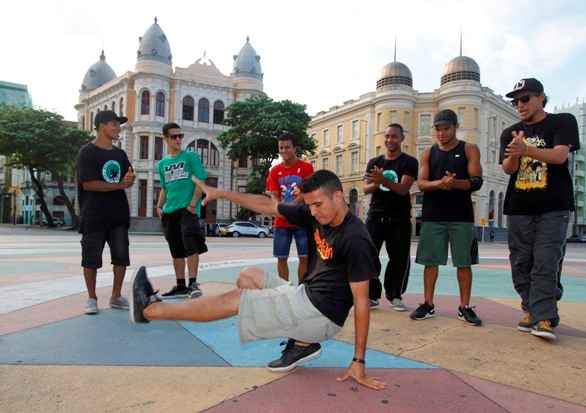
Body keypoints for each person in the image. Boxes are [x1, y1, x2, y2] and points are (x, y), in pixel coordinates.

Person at [130, 170, 385, 390]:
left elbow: (361, 303)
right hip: (305, 296)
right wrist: (222, 193)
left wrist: (358, 362)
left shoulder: (356, 239)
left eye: (318, 204)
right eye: (309, 206)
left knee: (238, 300)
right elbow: (268, 206)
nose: (313, 212)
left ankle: (152, 310)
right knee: (248, 276)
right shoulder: (315, 212)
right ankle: (301, 342)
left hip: (321, 316)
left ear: (338, 196)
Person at [500, 78, 579, 341]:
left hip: (553, 206)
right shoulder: (510, 132)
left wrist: (527, 149)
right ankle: (532, 308)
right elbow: (508, 169)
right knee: (521, 262)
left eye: (525, 98)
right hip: (519, 206)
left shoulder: (562, 122)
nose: (519, 105)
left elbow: (559, 156)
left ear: (541, 97)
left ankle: (544, 317)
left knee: (546, 260)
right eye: (515, 100)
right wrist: (514, 153)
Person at [412, 109, 483, 326]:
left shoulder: (469, 149)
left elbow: (477, 181)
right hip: (433, 217)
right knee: (430, 263)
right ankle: (428, 303)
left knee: (464, 263)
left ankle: (464, 307)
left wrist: (456, 183)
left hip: (461, 217)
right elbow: (421, 183)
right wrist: (440, 184)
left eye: (446, 129)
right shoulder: (428, 153)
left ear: (455, 127)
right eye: (438, 129)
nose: (442, 133)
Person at [76, 110, 134, 315]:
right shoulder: (87, 152)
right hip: (94, 215)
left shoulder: (120, 154)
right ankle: (91, 298)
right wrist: (120, 185)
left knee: (121, 256)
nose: (118, 128)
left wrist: (129, 179)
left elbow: (129, 175)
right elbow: (89, 184)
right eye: (114, 124)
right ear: (102, 126)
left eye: (119, 125)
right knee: (90, 259)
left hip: (118, 215)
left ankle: (116, 296)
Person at [363, 123, 418, 311]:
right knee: (368, 256)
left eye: (394, 136)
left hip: (399, 218)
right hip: (375, 216)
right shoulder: (374, 162)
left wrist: (382, 180)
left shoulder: (409, 162)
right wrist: (378, 183)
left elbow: (403, 189)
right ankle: (372, 294)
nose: (389, 140)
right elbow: (365, 188)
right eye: (387, 136)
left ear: (402, 138)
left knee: (399, 258)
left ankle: (395, 295)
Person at [156, 122, 208, 299]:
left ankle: (193, 283)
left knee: (190, 245)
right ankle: (180, 285)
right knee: (176, 249)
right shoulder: (162, 164)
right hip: (170, 211)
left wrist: (193, 204)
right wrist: (158, 206)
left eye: (180, 136)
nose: (178, 139)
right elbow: (164, 187)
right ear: (166, 139)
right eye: (174, 136)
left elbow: (200, 181)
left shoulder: (190, 157)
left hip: (188, 209)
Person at [266, 132, 314, 283]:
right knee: (281, 258)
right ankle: (284, 290)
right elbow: (274, 195)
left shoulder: (306, 167)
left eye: (287, 147)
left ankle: (302, 288)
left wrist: (292, 207)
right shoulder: (274, 171)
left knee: (305, 257)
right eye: (281, 147)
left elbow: (307, 192)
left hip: (302, 220)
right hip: (282, 222)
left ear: (295, 148)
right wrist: (278, 208)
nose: (284, 151)